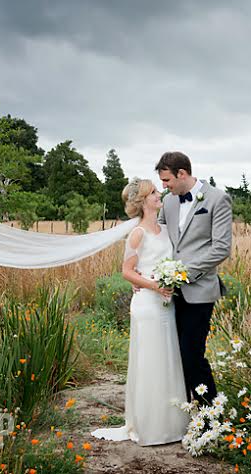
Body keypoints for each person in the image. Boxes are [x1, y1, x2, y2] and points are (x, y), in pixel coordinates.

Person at [90, 178, 189, 446]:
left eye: (158, 191)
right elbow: (127, 271)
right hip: (147, 304)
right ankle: (150, 426)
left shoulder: (167, 230)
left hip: (167, 304)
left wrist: (172, 281)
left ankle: (173, 423)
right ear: (143, 201)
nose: (159, 195)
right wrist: (155, 285)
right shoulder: (137, 233)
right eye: (154, 192)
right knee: (150, 361)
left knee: (169, 360)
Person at [156, 151, 233, 405]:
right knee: (173, 355)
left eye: (167, 180)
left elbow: (221, 248)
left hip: (199, 290)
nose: (163, 186)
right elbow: (158, 239)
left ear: (182, 173)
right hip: (167, 290)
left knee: (192, 354)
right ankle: (185, 413)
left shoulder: (217, 199)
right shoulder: (168, 202)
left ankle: (212, 418)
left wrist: (184, 273)